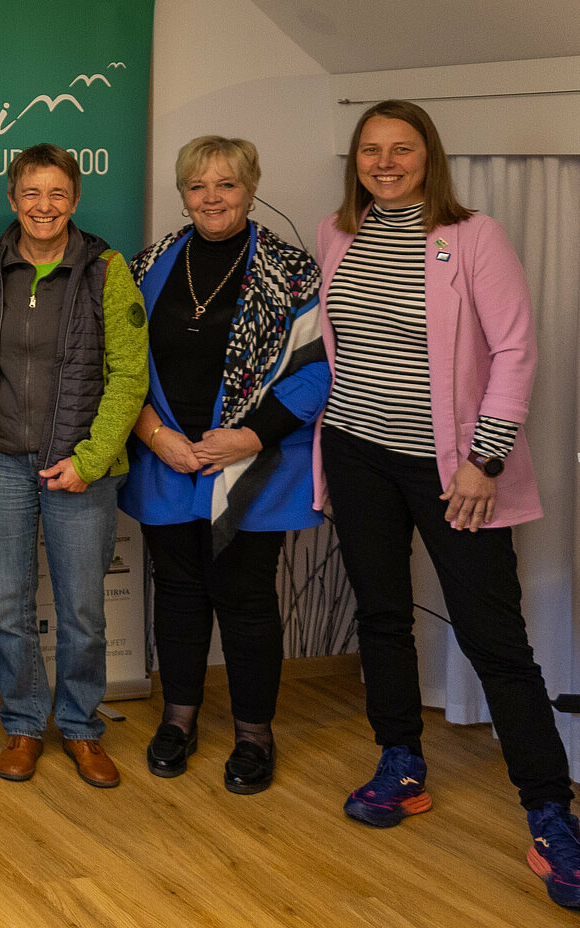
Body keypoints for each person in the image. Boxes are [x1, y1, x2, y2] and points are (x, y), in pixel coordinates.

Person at [314, 100, 578, 909]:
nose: (384, 162)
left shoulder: (472, 238)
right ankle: (402, 763)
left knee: (495, 638)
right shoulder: (339, 234)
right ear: (354, 161)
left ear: (429, 157)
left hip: (452, 468)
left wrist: (483, 459)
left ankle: (550, 814)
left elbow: (515, 349)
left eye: (401, 149)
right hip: (357, 453)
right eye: (370, 150)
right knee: (383, 616)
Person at [120, 136, 328, 795]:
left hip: (254, 467)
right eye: (198, 185)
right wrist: (157, 438)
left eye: (227, 184)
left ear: (250, 188)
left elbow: (317, 370)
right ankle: (178, 719)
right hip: (167, 457)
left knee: (245, 599)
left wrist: (248, 438)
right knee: (178, 593)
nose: (212, 197)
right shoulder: (147, 264)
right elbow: (117, 366)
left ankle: (253, 734)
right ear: (182, 193)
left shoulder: (293, 271)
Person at [0, 142, 147, 789]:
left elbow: (129, 376)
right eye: (31, 194)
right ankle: (22, 723)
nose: (45, 206)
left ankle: (79, 727)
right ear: (12, 200)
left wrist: (91, 460)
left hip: (80, 468)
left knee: (82, 613)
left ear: (75, 199)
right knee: (9, 606)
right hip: (3, 467)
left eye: (58, 194)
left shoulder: (106, 269)